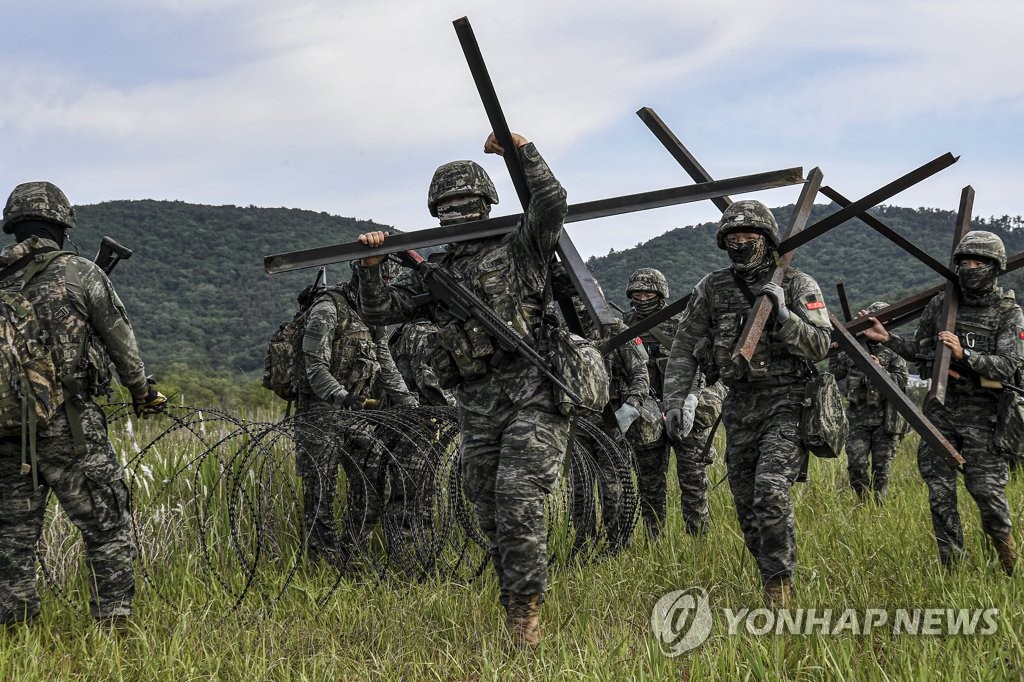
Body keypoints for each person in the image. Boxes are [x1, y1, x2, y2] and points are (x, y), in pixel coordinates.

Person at [356, 131, 568, 647]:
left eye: (465, 202)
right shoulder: (438, 272)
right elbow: (379, 311)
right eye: (447, 205)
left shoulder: (521, 246)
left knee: (517, 498)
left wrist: (522, 152)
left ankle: (525, 614)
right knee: (487, 506)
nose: (456, 211)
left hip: (535, 386)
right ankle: (514, 599)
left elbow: (552, 202)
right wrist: (370, 268)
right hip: (477, 397)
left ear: (486, 201)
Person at [0, 181, 166, 626]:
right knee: (106, 526)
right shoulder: (80, 272)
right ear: (61, 223)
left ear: (13, 225)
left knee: (12, 538)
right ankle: (113, 625)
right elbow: (122, 345)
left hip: (7, 429)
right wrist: (143, 394)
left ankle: (15, 630)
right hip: (69, 425)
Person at [663, 200, 832, 606]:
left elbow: (823, 344)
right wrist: (674, 399)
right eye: (733, 239)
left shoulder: (796, 283)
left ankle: (779, 587)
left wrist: (785, 316)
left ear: (767, 240)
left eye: (749, 237)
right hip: (739, 406)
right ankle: (768, 572)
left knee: (771, 489)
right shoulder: (713, 287)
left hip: (788, 402)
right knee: (745, 504)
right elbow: (684, 347)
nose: (740, 244)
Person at [863, 231, 1021, 575]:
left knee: (988, 496)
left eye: (978, 263)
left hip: (985, 415)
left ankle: (1010, 568)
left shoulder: (1007, 312)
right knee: (939, 494)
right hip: (941, 413)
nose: (970, 269)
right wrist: (888, 339)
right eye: (964, 263)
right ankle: (953, 569)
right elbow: (921, 350)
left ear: (995, 267)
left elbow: (1009, 366)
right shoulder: (941, 304)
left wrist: (965, 355)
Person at [294, 265, 415, 568]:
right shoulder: (327, 308)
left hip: (356, 413)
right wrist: (342, 396)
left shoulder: (375, 316)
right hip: (321, 414)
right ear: (361, 277)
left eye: (388, 281)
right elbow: (315, 368)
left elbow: (384, 362)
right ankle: (323, 564)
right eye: (381, 279)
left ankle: (354, 552)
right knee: (320, 494)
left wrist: (409, 404)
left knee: (377, 481)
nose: (383, 285)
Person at [621, 268, 726, 538]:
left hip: (683, 407)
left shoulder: (682, 322)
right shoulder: (624, 325)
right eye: (637, 294)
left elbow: (699, 366)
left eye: (648, 293)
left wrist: (690, 400)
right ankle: (654, 538)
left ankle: (698, 541)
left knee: (693, 480)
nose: (642, 298)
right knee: (649, 482)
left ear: (660, 294)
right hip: (646, 412)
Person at [828, 301, 909, 503]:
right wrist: (836, 350)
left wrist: (880, 369)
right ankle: (863, 502)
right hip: (857, 419)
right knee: (856, 466)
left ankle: (878, 508)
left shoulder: (894, 348)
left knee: (881, 470)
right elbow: (834, 373)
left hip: (885, 420)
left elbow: (901, 381)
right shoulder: (852, 348)